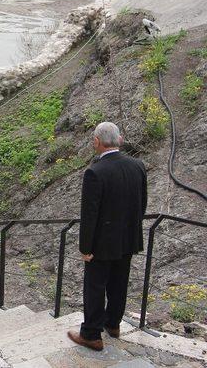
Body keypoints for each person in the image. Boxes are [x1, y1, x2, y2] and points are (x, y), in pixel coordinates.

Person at [67, 122, 148, 351]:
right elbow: (142, 204)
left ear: (96, 141)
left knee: (95, 287)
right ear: (119, 140)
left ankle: (91, 334)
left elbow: (89, 214)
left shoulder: (95, 172)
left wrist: (85, 247)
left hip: (102, 243)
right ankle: (113, 324)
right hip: (128, 238)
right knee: (119, 283)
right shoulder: (137, 166)